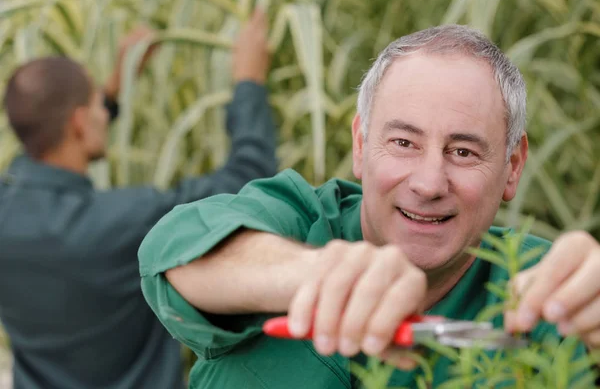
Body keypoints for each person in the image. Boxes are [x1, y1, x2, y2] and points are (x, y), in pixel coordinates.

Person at [137, 24, 600, 388]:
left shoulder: (545, 290)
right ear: (361, 144)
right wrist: (316, 279)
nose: (428, 183)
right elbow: (175, 253)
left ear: (512, 167)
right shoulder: (295, 222)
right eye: (403, 142)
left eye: (463, 152)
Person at [0, 9, 277, 389]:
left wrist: (113, 90)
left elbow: (53, 137)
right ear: (80, 123)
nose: (104, 109)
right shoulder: (128, 221)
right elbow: (248, 180)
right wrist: (249, 81)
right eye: (97, 105)